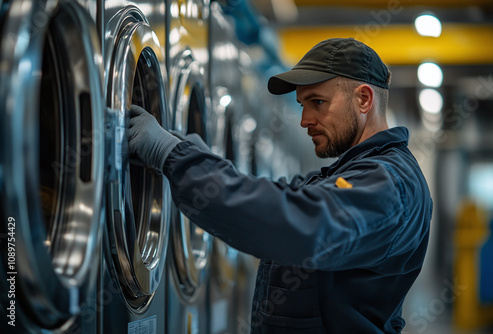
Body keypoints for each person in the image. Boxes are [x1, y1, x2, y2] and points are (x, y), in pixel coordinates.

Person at [128, 37, 432, 334]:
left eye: (317, 102)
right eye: (302, 104)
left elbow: (298, 223)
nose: (304, 120)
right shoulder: (355, 172)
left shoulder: (390, 183)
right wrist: (198, 159)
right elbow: (273, 195)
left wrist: (175, 157)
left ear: (364, 99)